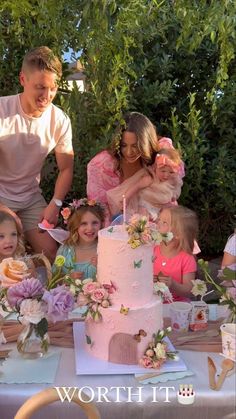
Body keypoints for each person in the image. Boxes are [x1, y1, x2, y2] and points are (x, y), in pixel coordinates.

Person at [0, 46, 74, 261]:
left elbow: (66, 168)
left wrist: (56, 203)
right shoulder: (3, 111)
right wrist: (3, 209)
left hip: (31, 198)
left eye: (52, 88)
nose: (47, 96)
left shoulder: (60, 120)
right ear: (23, 79)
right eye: (40, 87)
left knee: (54, 255)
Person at [87, 111, 184, 224]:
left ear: (146, 143)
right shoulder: (102, 165)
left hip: (161, 217)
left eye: (135, 146)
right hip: (121, 225)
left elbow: (174, 179)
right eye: (123, 145)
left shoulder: (162, 154)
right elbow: (99, 207)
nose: (129, 152)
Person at [107, 147, 183, 221]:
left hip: (161, 206)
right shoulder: (150, 178)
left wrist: (173, 197)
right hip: (146, 205)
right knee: (142, 220)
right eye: (163, 171)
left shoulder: (174, 180)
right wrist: (126, 199)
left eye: (171, 172)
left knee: (168, 218)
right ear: (155, 167)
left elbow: (175, 192)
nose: (166, 175)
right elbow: (136, 187)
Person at [153, 206, 198, 302]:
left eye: (164, 222)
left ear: (178, 234)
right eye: (159, 219)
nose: (158, 223)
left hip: (176, 305)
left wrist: (173, 285)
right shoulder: (151, 250)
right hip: (152, 303)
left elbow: (189, 290)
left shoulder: (187, 259)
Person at [53, 198, 105, 280]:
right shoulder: (65, 251)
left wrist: (103, 268)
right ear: (75, 226)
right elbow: (54, 278)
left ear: (101, 224)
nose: (90, 228)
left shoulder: (105, 250)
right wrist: (67, 279)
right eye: (83, 223)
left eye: (95, 223)